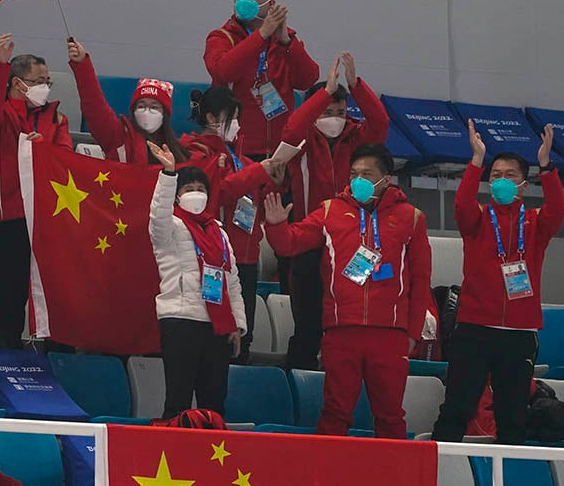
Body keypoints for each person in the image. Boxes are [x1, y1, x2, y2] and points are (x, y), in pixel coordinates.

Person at [263, 144, 431, 438]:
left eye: (367, 174)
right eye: (354, 174)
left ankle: (393, 481)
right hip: (341, 331)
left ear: (386, 179)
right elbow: (289, 244)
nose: (359, 180)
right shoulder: (330, 211)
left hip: (390, 334)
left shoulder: (411, 218)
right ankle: (328, 479)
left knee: (391, 415)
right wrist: (276, 225)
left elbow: (420, 280)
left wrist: (413, 333)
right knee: (335, 412)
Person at [431, 120, 564, 445]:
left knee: (513, 416)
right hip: (475, 327)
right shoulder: (477, 218)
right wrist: (477, 161)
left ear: (524, 184)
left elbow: (558, 208)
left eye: (510, 176)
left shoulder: (535, 224)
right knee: (457, 408)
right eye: (496, 176)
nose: (502, 181)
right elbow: (460, 205)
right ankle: (438, 475)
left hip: (519, 333)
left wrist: (547, 165)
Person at [279, 52, 389, 370]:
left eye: (339, 111)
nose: (335, 117)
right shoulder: (299, 141)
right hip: (309, 240)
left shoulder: (357, 137)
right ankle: (299, 381)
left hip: (351, 243)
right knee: (308, 325)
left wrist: (355, 86)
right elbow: (291, 129)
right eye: (327, 110)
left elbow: (381, 122)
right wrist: (323, 93)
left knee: (345, 322)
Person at [0, 34, 73, 347]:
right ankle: (8, 360)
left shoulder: (56, 119)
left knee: (56, 299)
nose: (45, 86)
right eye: (38, 80)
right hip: (8, 221)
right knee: (9, 301)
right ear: (18, 83)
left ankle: (52, 360)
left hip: (47, 223)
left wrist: (49, 154)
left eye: (48, 80)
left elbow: (67, 161)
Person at [181, 86, 286, 362]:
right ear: (213, 117)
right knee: (215, 335)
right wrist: (258, 171)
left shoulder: (238, 158)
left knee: (242, 336)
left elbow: (250, 200)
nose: (237, 125)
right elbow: (220, 192)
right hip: (214, 255)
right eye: (233, 117)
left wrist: (271, 180)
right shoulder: (195, 152)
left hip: (246, 258)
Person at [149, 140, 246, 418]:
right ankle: (169, 459)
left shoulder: (219, 231)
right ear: (177, 197)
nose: (195, 194)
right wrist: (168, 175)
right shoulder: (170, 227)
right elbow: (159, 215)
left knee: (214, 403)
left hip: (217, 325)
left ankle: (209, 459)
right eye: (188, 189)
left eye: (200, 189)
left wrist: (237, 325)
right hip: (180, 320)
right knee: (177, 400)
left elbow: (233, 282)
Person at [204, 0, 319, 160]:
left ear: (271, 3)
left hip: (279, 150)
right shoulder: (221, 37)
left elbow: (307, 80)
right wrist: (261, 35)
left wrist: (285, 41)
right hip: (233, 147)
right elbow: (223, 73)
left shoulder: (286, 40)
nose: (245, 0)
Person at [68, 39, 189, 165]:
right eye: (141, 106)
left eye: (154, 107)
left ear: (165, 114)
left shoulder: (180, 152)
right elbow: (95, 107)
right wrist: (82, 65)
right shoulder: (117, 136)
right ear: (133, 110)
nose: (147, 111)